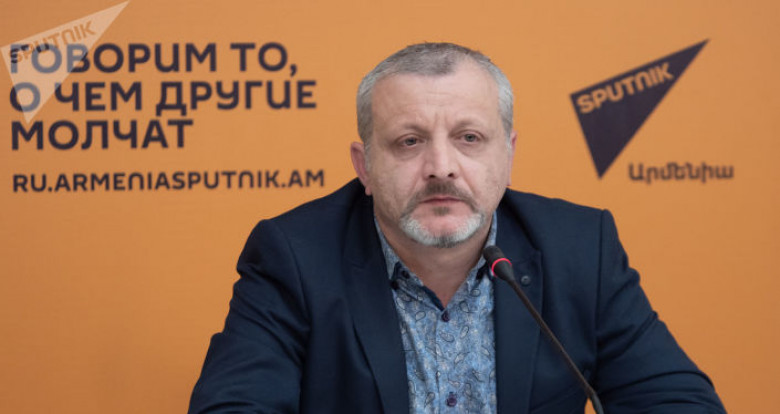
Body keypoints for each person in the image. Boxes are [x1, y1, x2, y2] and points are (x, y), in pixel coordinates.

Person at [189, 43, 725, 413]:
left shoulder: (581, 248)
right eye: (409, 141)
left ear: (507, 156)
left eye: (469, 138)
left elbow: (678, 403)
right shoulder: (294, 256)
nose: (441, 167)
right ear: (364, 167)